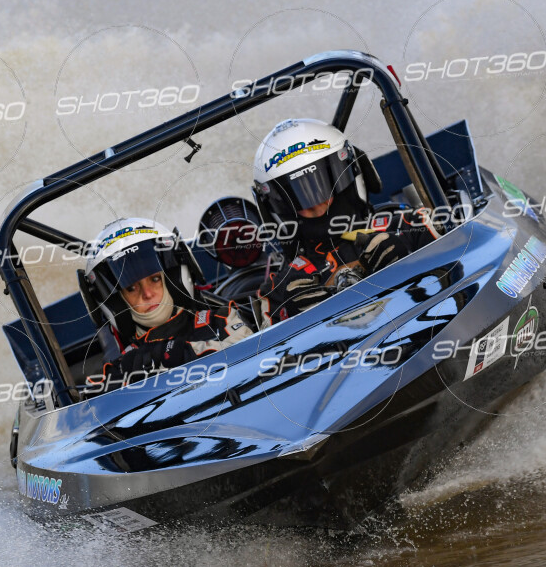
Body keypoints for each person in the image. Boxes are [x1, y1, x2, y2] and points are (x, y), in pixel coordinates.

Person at [251, 118, 438, 327]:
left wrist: (411, 262)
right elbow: (258, 342)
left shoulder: (410, 226)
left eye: (323, 186)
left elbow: (462, 261)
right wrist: (293, 321)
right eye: (297, 197)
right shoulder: (281, 289)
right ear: (278, 207)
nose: (317, 203)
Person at [79, 218, 253, 392]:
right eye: (131, 288)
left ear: (174, 280)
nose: (147, 294)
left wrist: (184, 354)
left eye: (155, 279)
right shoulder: (121, 371)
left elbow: (252, 357)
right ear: (118, 303)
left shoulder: (222, 320)